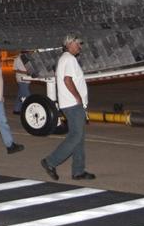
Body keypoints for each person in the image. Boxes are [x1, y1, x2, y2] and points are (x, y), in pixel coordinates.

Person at [41, 35, 94, 181]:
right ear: (69, 44)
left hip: (70, 104)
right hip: (73, 104)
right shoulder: (69, 59)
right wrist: (78, 98)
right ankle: (50, 162)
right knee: (76, 136)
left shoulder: (65, 58)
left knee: (79, 138)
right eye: (78, 44)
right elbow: (67, 80)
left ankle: (78, 171)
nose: (80, 47)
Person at [13, 50, 31, 114]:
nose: (29, 53)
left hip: (27, 79)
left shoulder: (26, 58)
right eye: (28, 52)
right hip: (21, 79)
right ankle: (28, 110)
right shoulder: (17, 59)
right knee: (28, 96)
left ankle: (16, 109)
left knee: (20, 95)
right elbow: (15, 70)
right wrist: (25, 72)